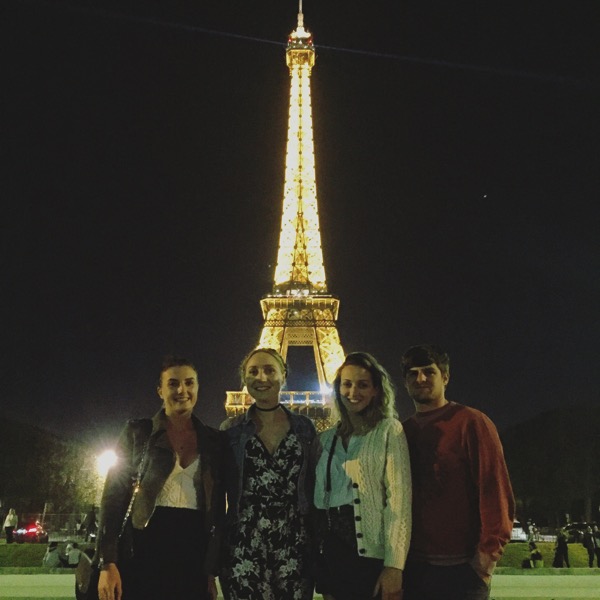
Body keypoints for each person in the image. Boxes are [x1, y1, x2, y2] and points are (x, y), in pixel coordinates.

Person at [96, 356, 225, 600]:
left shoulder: (214, 441)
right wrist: (108, 562)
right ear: (160, 391)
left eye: (189, 383)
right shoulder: (138, 432)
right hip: (144, 544)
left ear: (198, 387)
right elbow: (113, 499)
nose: (182, 390)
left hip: (193, 548)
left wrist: (210, 571)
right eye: (173, 383)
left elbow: (216, 509)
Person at [401, 345, 515, 600]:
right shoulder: (401, 432)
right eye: (413, 373)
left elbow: (494, 488)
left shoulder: (472, 422)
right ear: (405, 382)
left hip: (462, 568)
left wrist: (486, 558)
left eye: (428, 372)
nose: (420, 378)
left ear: (445, 377)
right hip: (414, 568)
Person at [313, 352, 412, 600]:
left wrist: (394, 566)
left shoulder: (389, 430)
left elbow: (399, 502)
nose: (353, 391)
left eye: (363, 385)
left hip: (371, 555)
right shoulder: (325, 439)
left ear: (376, 390)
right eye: (346, 384)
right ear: (338, 389)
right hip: (333, 553)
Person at [220, 347, 316, 600]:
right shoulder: (230, 430)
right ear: (244, 378)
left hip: (294, 541)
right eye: (253, 371)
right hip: (245, 541)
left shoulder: (305, 428)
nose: (261, 377)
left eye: (269, 370)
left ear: (283, 375)